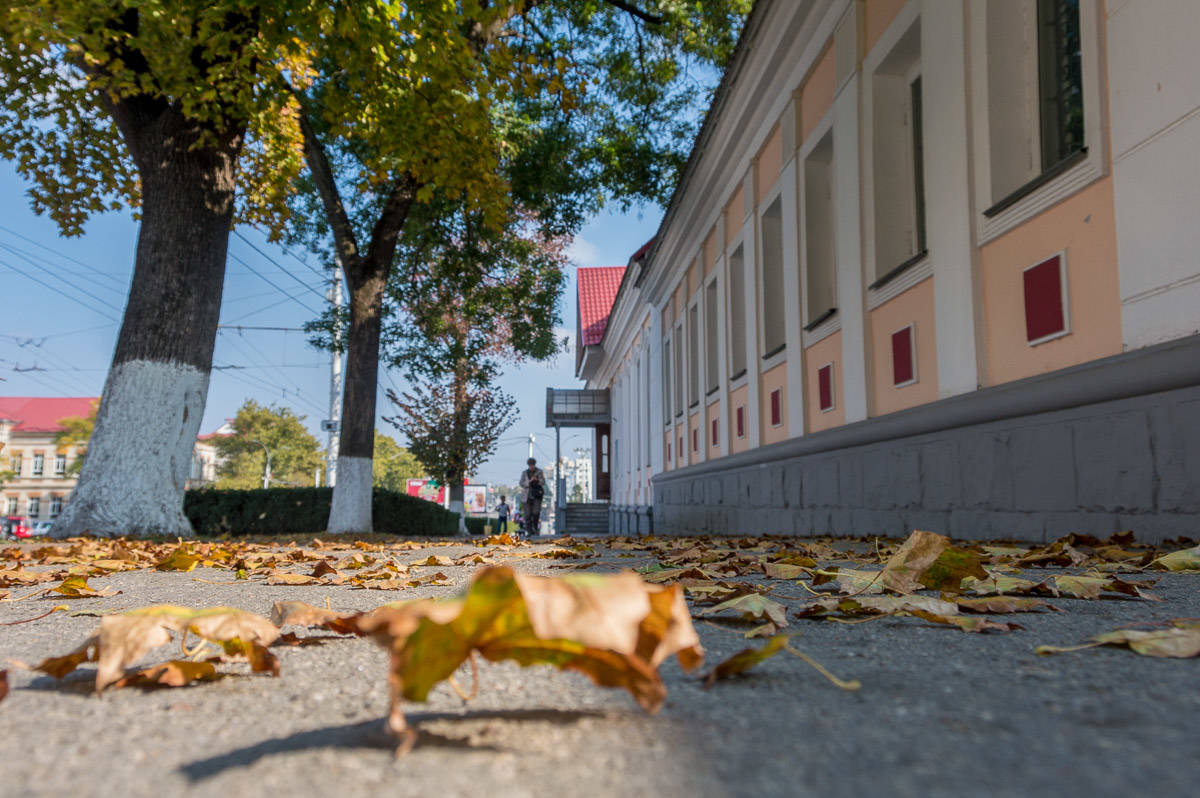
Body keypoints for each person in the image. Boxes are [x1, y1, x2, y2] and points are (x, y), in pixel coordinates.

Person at [519, 458, 546, 537]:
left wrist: (537, 480)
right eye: (530, 465)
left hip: (537, 495)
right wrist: (529, 481)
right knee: (527, 515)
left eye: (533, 465)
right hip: (526, 496)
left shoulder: (539, 472)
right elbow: (521, 483)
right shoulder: (525, 473)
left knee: (536, 513)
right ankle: (529, 531)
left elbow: (543, 482)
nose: (532, 467)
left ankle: (535, 529)